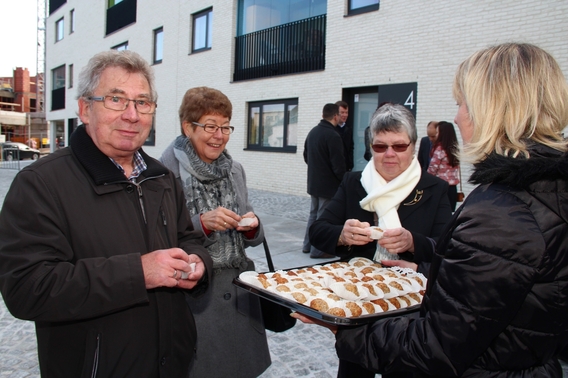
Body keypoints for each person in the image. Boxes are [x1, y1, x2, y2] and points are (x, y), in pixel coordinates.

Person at [298, 42, 568, 377]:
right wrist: (342, 234)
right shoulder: (543, 191)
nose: (456, 116)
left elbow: (436, 346)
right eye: (380, 147)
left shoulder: (494, 211)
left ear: (492, 109)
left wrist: (343, 326)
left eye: (462, 103)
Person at [0, 50, 213, 377]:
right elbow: (27, 288)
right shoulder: (41, 183)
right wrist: (138, 272)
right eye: (116, 99)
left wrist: (199, 262)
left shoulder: (161, 178)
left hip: (173, 364)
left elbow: (189, 238)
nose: (132, 115)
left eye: (143, 102)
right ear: (85, 109)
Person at [309, 102, 452, 378]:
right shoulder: (354, 183)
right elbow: (318, 230)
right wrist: (342, 233)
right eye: (379, 146)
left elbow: (447, 250)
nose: (389, 154)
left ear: (412, 147)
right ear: (370, 146)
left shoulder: (434, 188)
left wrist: (413, 242)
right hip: (358, 305)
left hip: (409, 307)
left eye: (398, 146)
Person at [160, 86, 271, 378]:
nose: (219, 135)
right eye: (210, 126)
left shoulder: (234, 170)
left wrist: (252, 227)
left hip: (238, 292)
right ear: (188, 127)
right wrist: (202, 223)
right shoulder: (164, 173)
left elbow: (253, 235)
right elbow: (159, 239)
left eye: (225, 127)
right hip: (195, 297)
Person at [303, 103, 346, 258]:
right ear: (335, 116)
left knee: (313, 215)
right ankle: (318, 250)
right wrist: (344, 180)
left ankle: (307, 245)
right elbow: (338, 166)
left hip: (314, 182)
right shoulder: (333, 136)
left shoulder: (313, 132)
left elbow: (306, 156)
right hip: (328, 185)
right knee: (322, 218)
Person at [427, 121, 460, 211]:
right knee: (450, 214)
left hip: (440, 187)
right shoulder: (455, 149)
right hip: (453, 189)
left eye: (437, 132)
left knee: (440, 214)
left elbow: (432, 170)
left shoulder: (440, 149)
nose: (436, 135)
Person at [335, 100, 354, 171]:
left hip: (346, 167)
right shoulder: (331, 129)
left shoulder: (348, 129)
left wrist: (350, 164)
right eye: (342, 112)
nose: (345, 115)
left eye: (346, 112)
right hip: (334, 168)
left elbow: (351, 148)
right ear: (336, 113)